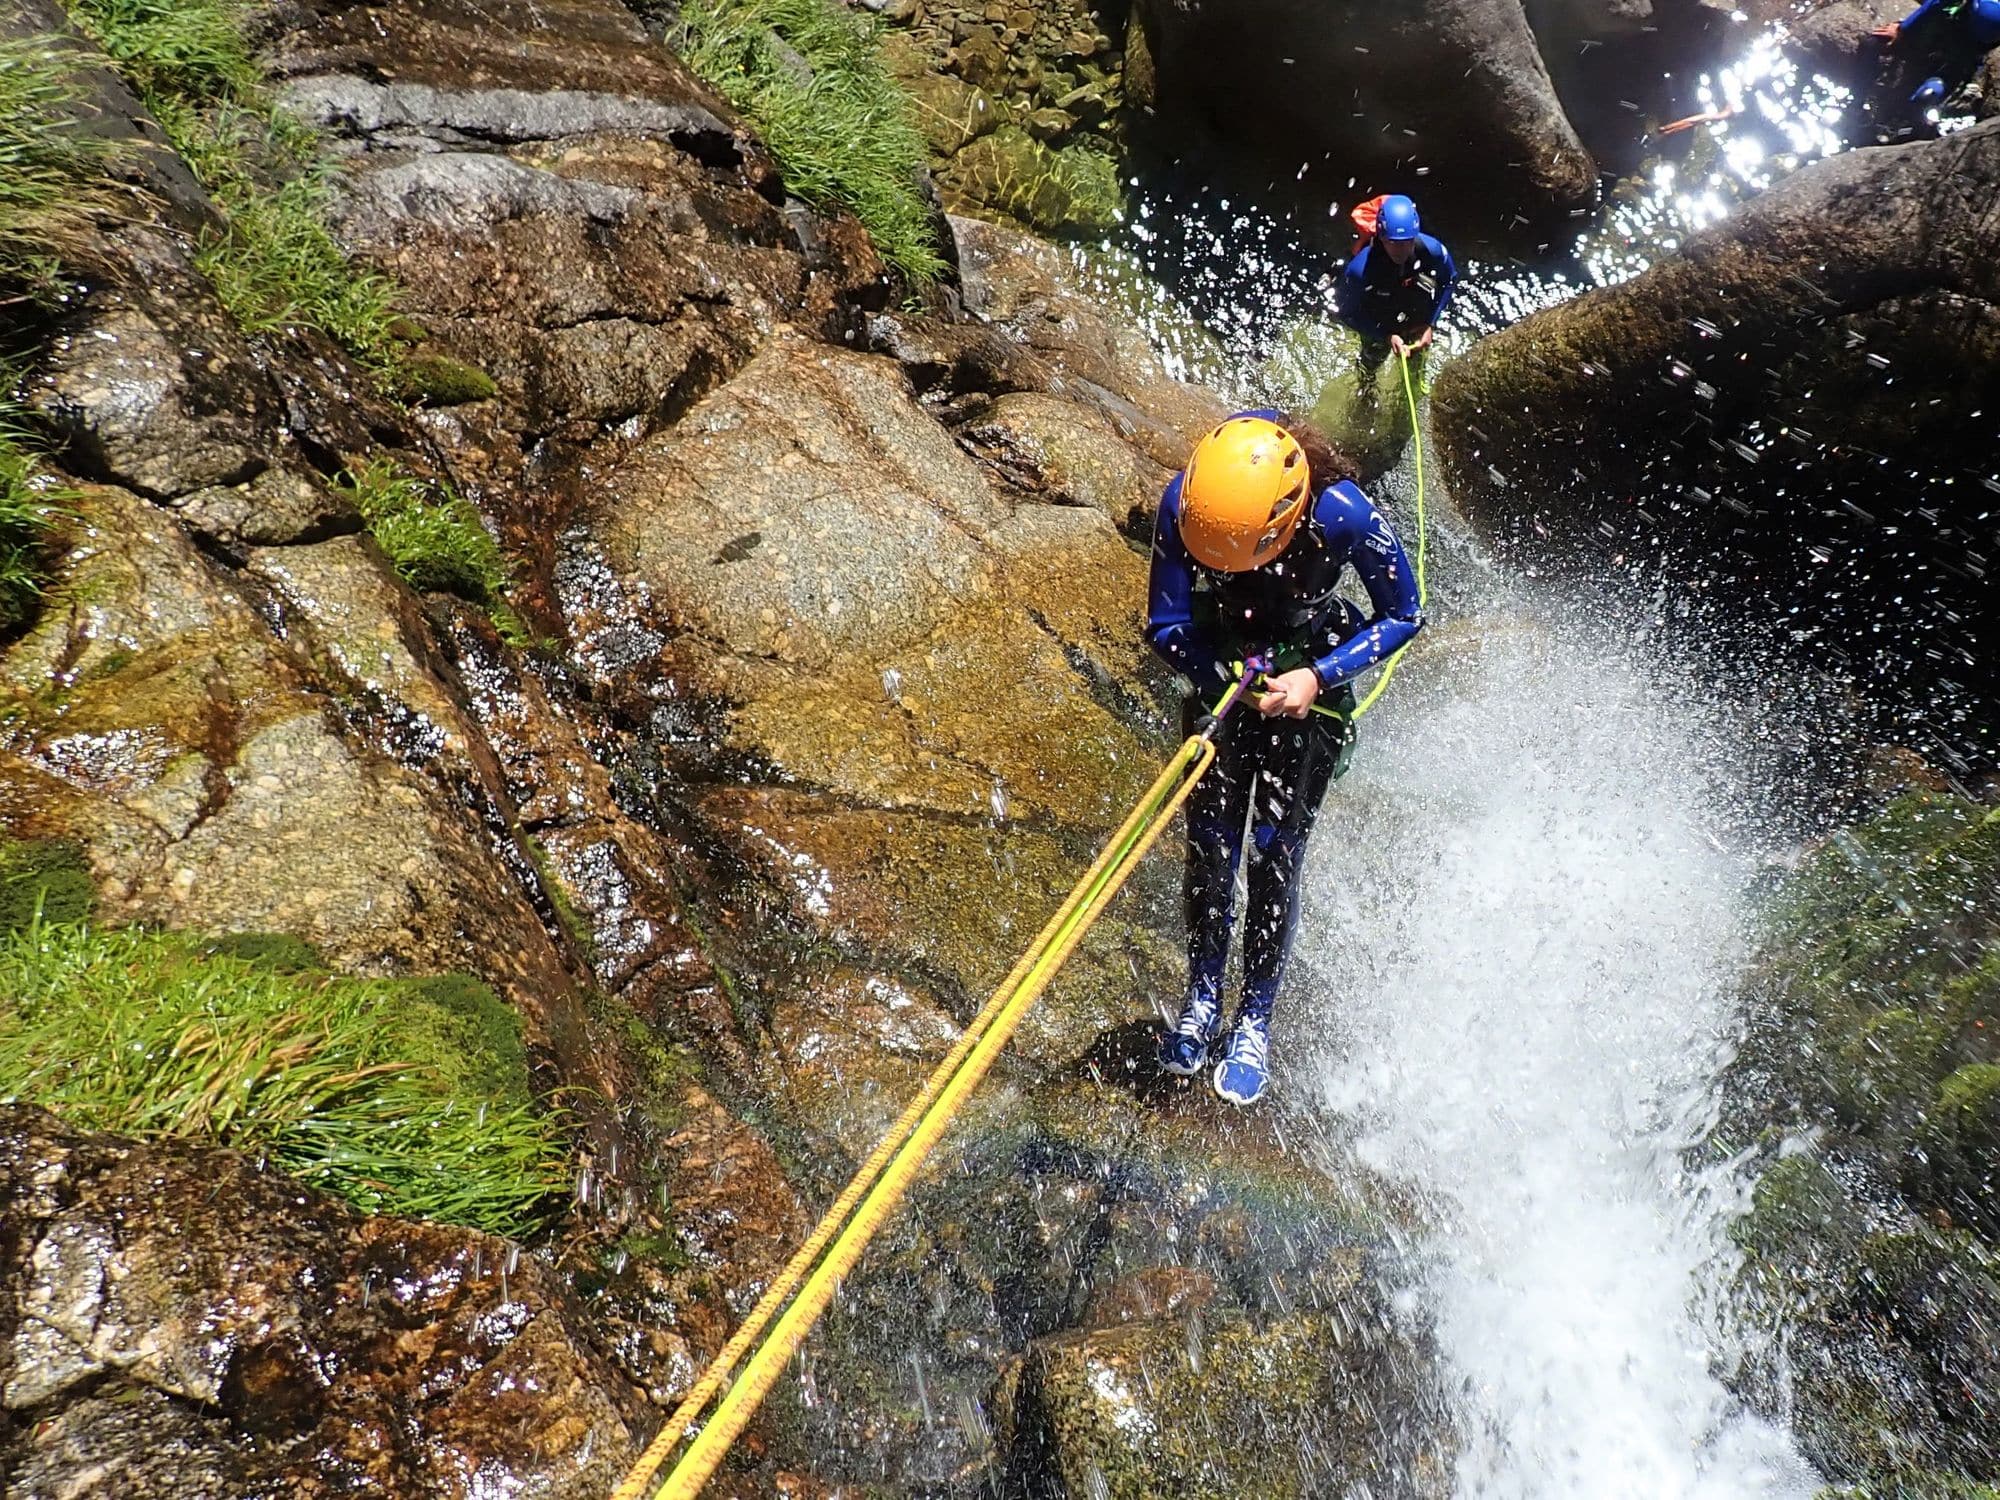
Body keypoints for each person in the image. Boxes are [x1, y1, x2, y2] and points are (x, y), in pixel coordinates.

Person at [1147, 414, 1422, 1105]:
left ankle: (1255, 1021)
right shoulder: (1186, 503)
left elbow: (1405, 614)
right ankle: (1202, 995)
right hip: (1226, 670)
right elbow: (1167, 624)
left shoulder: (1343, 516)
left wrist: (1316, 679)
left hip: (1308, 674)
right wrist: (1221, 677)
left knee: (1275, 851)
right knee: (1211, 845)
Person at [1333, 194, 1456, 396]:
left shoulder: (1432, 250)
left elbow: (1449, 279)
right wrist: (1385, 335)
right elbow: (1347, 313)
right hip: (1378, 317)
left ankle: (1413, 389)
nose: (1401, 250)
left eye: (1407, 242)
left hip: (1415, 311)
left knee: (1417, 354)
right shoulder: (1359, 269)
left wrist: (1429, 323)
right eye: (1393, 242)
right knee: (1370, 361)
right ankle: (1366, 390)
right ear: (1381, 237)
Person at [1869, 0, 2000, 135]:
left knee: (1928, 94)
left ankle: (1910, 127)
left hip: (1955, 66)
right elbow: (1935, 4)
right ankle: (1864, 99)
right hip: (1934, 40)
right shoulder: (1954, 10)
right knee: (1873, 44)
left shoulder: (1983, 31)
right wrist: (1903, 29)